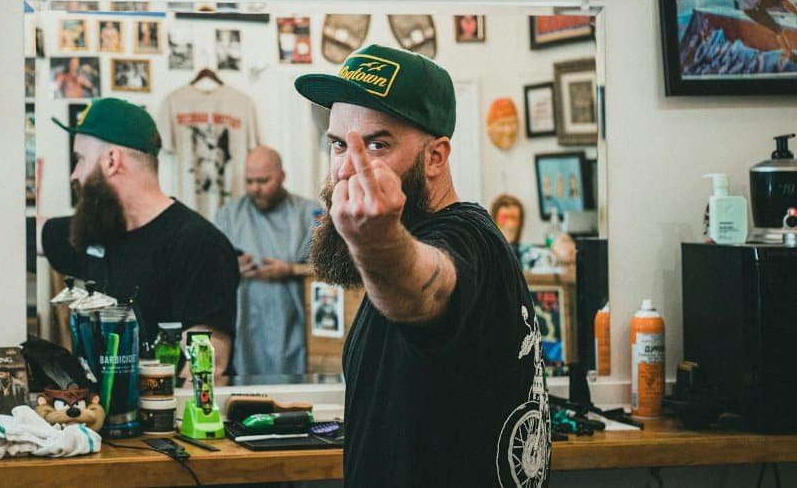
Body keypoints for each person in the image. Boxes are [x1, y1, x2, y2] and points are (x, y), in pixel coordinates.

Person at [294, 44, 550, 488]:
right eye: (339, 144)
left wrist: (377, 244)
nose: (348, 170)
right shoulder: (419, 240)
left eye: (376, 144)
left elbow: (425, 292)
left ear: (436, 156)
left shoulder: (468, 240)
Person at [40, 98, 240, 376]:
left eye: (79, 160)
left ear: (111, 161)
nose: (75, 174)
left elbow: (206, 370)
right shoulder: (96, 232)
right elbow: (29, 232)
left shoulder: (199, 244)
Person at [214, 146, 320, 376]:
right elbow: (208, 272)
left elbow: (331, 271)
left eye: (263, 181)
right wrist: (231, 268)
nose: (255, 189)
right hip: (246, 323)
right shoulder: (228, 215)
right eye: (249, 181)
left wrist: (291, 270)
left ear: (282, 176)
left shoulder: (310, 213)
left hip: (294, 322)